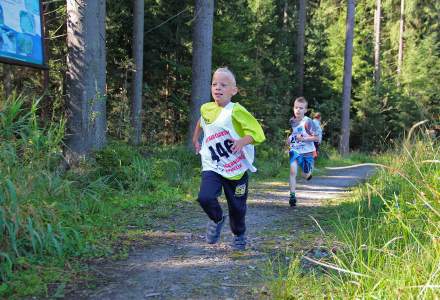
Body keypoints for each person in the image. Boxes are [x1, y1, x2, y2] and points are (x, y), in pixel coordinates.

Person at [192, 67, 265, 251]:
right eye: (214, 84)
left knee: (237, 207)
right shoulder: (206, 108)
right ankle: (217, 219)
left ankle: (239, 235)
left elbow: (257, 133)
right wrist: (195, 138)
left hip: (236, 169)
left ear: (234, 90)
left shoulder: (236, 110)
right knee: (205, 197)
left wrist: (242, 141)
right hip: (213, 165)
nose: (218, 88)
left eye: (223, 85)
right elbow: (202, 121)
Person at [285, 97, 319, 207]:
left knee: (305, 174)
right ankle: (292, 196)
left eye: (301, 108)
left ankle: (308, 174)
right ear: (293, 108)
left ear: (305, 110)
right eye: (296, 107)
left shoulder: (308, 122)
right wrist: (290, 138)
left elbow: (316, 138)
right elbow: (294, 133)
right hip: (295, 150)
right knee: (292, 171)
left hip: (308, 152)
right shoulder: (292, 120)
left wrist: (304, 139)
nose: (298, 110)